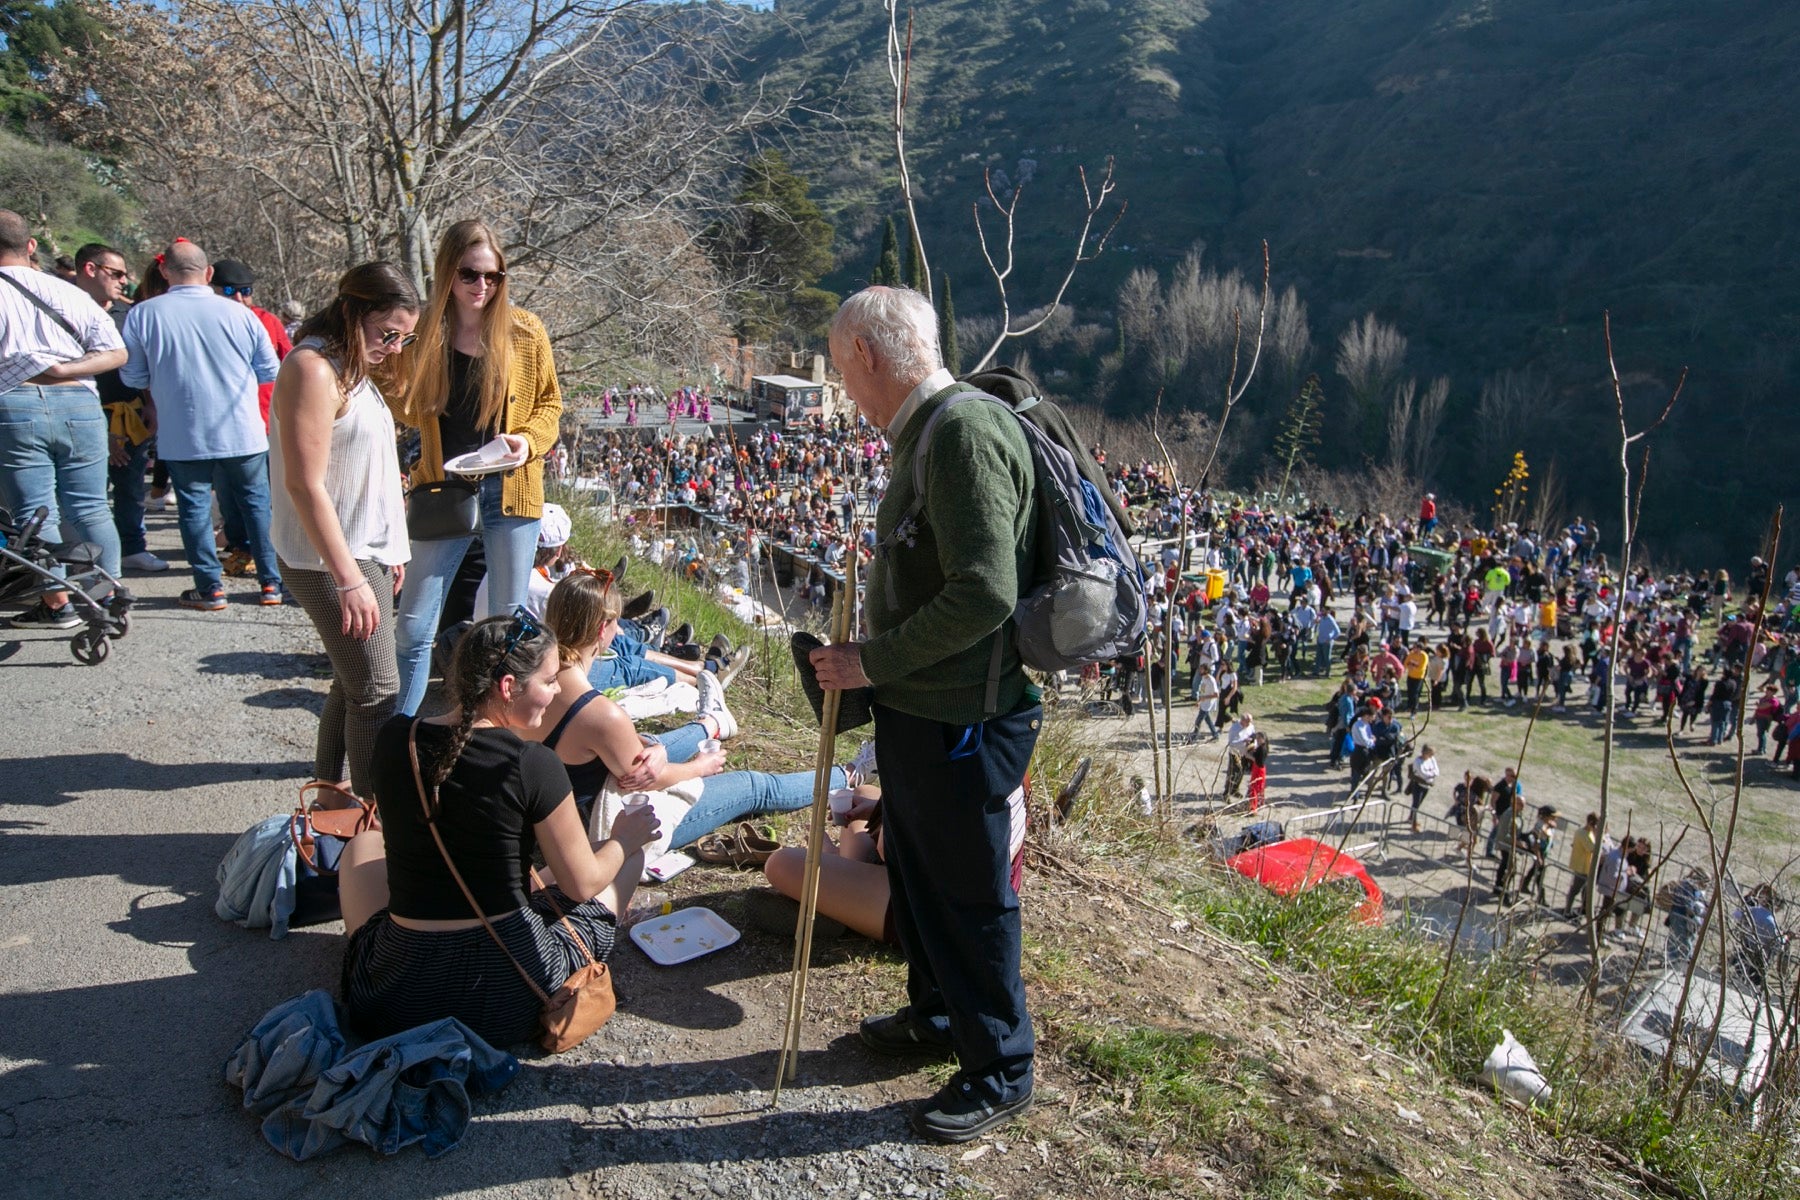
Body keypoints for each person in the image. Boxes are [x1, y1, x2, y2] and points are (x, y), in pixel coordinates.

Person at [808, 286, 1041, 1143]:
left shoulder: (963, 434)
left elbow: (985, 589)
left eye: (842, 372)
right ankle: (941, 1015)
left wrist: (873, 661)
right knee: (920, 873)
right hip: (925, 709)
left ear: (868, 355)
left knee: (970, 891)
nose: (845, 391)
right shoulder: (929, 434)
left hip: (962, 716)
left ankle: (1001, 1066)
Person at [338, 613, 657, 1046]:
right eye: (549, 680)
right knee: (622, 858)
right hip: (506, 999)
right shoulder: (533, 764)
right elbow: (581, 884)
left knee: (362, 845)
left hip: (393, 1001)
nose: (558, 690)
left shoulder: (397, 738)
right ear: (508, 687)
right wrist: (624, 838)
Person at [531, 570, 848, 848]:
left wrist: (651, 748)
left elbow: (607, 745)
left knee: (654, 746)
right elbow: (649, 778)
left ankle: (711, 722)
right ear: (603, 629)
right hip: (606, 826)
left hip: (562, 814)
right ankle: (846, 774)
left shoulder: (535, 683)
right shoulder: (599, 713)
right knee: (754, 786)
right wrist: (700, 767)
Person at [390, 220, 564, 716]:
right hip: (444, 491)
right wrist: (386, 368)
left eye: (493, 275)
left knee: (505, 627)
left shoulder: (525, 332)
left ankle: (491, 733)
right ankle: (400, 736)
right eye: (470, 274)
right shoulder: (423, 333)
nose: (482, 286)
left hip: (512, 488)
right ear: (447, 273)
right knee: (415, 624)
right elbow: (408, 409)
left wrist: (526, 442)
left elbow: (550, 406)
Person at [269, 263, 419, 798]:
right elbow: (305, 485)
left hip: (364, 548)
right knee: (378, 690)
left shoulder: (349, 365)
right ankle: (373, 820)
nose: (396, 347)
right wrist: (351, 578)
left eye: (406, 336)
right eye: (388, 334)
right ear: (354, 312)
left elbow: (364, 471)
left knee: (352, 676)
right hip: (328, 559)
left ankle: (330, 793)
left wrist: (389, 545)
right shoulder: (313, 368)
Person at [120, 239, 283, 610]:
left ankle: (210, 588)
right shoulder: (242, 315)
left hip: (183, 432)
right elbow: (269, 370)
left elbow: (132, 376)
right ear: (208, 273)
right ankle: (271, 584)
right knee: (257, 504)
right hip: (242, 429)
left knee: (193, 508)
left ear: (164, 272)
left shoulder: (144, 314)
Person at [0, 210, 128, 629]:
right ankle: (109, 596)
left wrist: (42, 372)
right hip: (79, 403)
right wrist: (65, 371)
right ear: (31, 246)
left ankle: (59, 604)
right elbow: (116, 352)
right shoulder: (69, 293)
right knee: (91, 505)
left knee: (35, 513)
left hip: (14, 405)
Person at [70, 242, 166, 573]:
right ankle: (80, 557)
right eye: (117, 273)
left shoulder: (130, 315)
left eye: (125, 275)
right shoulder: (62, 309)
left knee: (130, 486)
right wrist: (100, 428)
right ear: (89, 269)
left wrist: (151, 404)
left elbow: (145, 366)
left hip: (130, 415)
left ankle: (132, 547)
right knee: (86, 493)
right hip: (79, 414)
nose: (124, 281)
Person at [1562, 812, 1600, 919]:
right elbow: (1592, 848)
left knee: (1585, 891)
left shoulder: (1589, 833)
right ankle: (1567, 911)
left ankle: (1581, 911)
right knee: (1575, 890)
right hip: (1581, 867)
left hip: (1587, 867)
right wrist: (1597, 835)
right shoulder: (1582, 833)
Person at [1404, 743, 1438, 832]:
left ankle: (1411, 818)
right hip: (1418, 785)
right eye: (1430, 753)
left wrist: (1431, 774)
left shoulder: (1432, 759)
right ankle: (1413, 824)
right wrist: (1432, 774)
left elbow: (1437, 771)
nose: (1432, 756)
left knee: (1418, 804)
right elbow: (1423, 774)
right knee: (1415, 804)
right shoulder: (1418, 762)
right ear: (1425, 753)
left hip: (1427, 786)